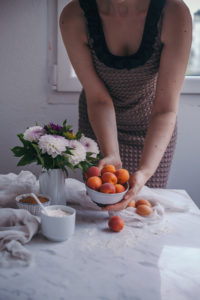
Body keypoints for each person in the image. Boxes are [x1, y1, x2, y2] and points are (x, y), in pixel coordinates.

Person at [60, 0, 192, 211]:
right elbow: (98, 99)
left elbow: (165, 109)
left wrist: (145, 171)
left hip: (152, 131)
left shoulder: (173, 13)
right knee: (98, 214)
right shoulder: (74, 16)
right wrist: (110, 154)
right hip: (98, 128)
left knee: (143, 211)